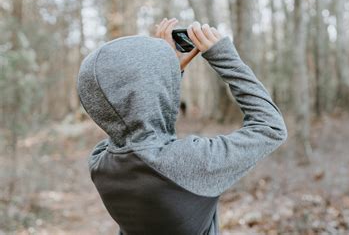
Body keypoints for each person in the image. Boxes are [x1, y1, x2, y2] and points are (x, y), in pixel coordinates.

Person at [76, 18, 287, 235]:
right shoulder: (191, 162)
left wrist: (166, 73)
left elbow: (129, 123)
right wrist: (224, 57)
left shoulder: (100, 164)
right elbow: (270, 127)